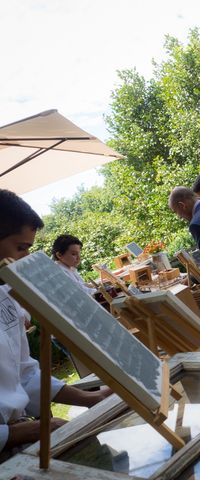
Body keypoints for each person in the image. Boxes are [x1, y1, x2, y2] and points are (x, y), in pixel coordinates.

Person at [0, 189, 110, 457]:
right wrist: (29, 430)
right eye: (20, 247)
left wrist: (90, 399)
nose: (25, 258)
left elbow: (23, 372)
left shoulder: (6, 294)